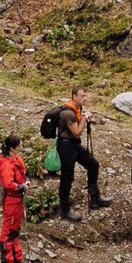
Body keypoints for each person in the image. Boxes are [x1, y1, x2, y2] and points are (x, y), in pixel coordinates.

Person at [57, 85, 110, 221]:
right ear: (74, 96)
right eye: (82, 96)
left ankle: (95, 198)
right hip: (66, 146)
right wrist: (84, 119)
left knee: (93, 165)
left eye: (86, 96)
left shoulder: (77, 108)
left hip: (74, 145)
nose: (85, 99)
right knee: (67, 177)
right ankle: (64, 209)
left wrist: (84, 117)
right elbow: (76, 132)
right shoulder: (67, 112)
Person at [0, 134, 28, 263]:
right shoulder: (6, 163)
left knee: (15, 229)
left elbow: (22, 173)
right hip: (11, 199)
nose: (21, 147)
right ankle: (7, 262)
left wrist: (25, 181)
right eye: (19, 145)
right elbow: (9, 183)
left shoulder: (16, 158)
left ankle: (16, 258)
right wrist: (22, 187)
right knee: (8, 230)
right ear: (12, 148)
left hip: (18, 199)